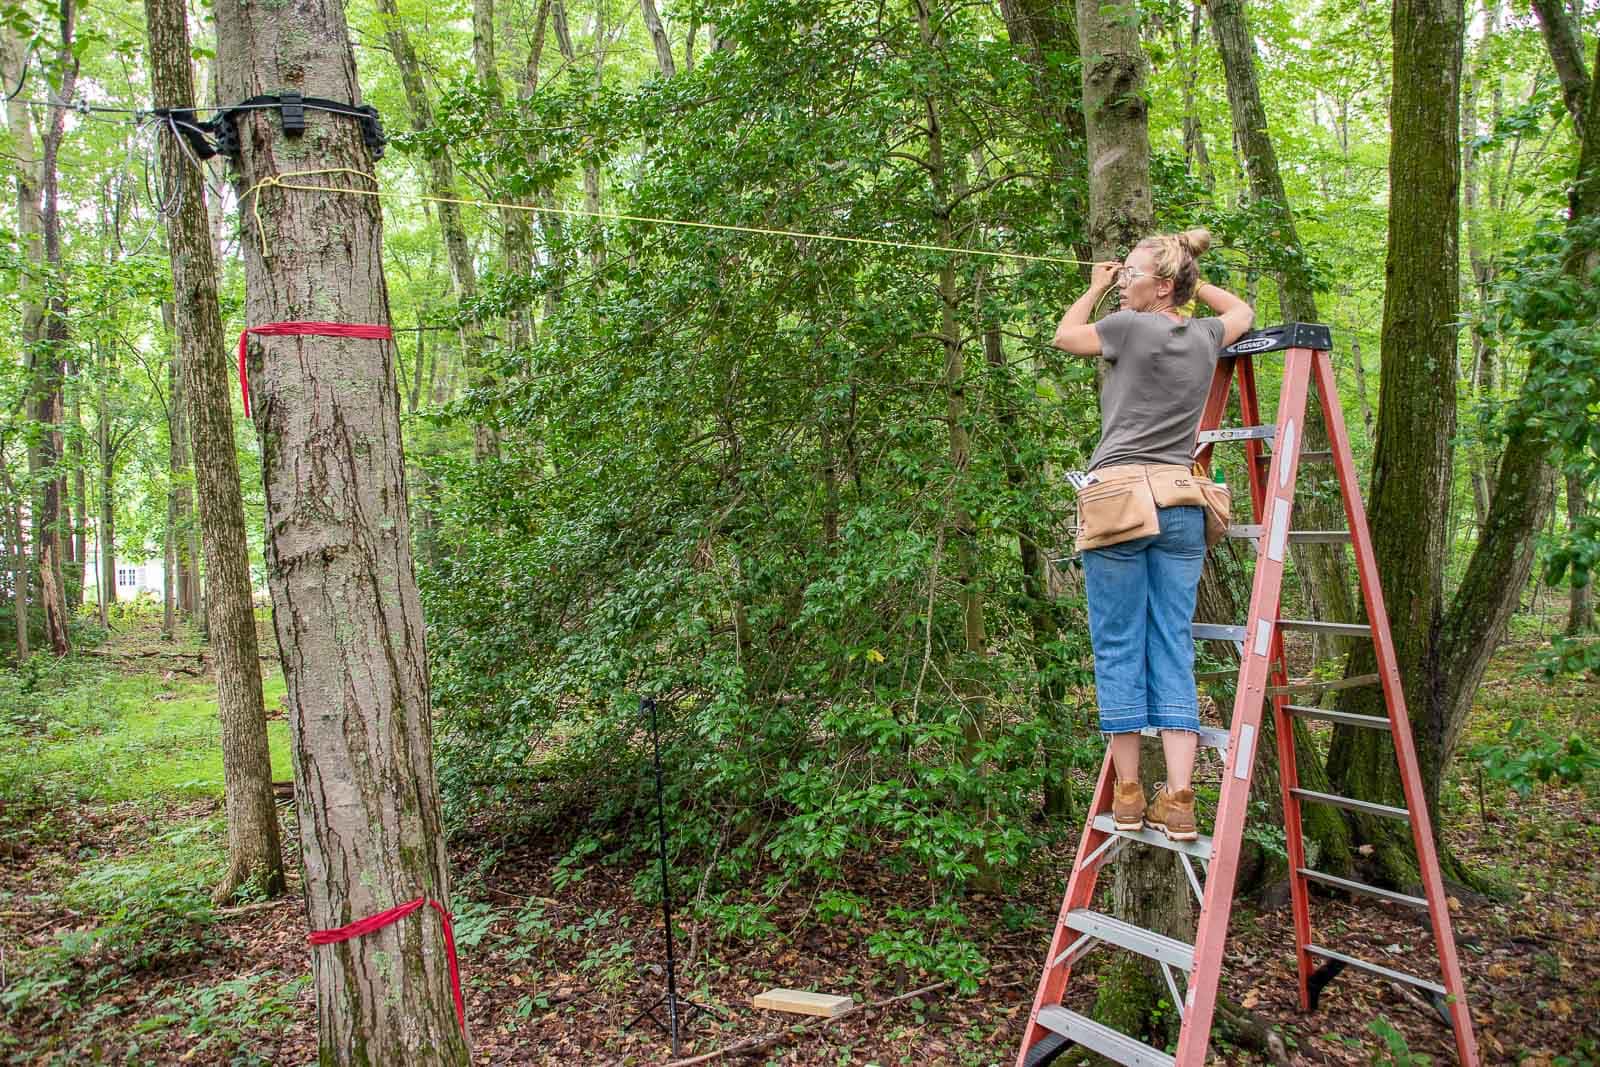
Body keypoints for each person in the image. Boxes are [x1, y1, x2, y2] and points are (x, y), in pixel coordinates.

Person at [1050, 228, 1253, 842]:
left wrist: (1092, 288)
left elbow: (1065, 336)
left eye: (1131, 275)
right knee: (1172, 643)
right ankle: (1182, 797)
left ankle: (1132, 794)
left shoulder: (1130, 328)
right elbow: (1240, 310)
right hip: (1181, 502)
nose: (1120, 282)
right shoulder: (1205, 334)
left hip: (1119, 499)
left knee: (1118, 646)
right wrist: (1189, 274)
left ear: (1163, 285)